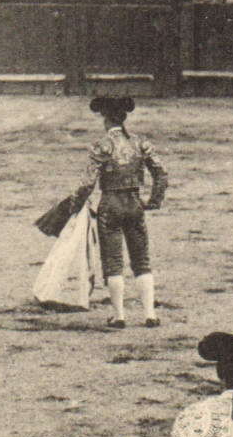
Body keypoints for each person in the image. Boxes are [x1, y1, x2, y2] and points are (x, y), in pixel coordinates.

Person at [66, 96, 167, 329]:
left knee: (113, 261)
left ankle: (119, 316)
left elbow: (87, 183)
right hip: (134, 203)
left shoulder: (102, 146)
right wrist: (153, 200)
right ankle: (150, 314)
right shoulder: (140, 144)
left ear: (105, 119)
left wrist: (75, 205)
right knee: (141, 260)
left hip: (110, 204)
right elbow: (161, 173)